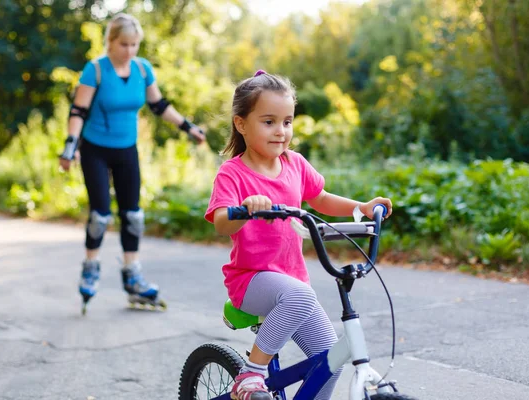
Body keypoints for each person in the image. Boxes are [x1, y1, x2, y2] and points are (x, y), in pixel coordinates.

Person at [204, 70, 393, 400]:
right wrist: (246, 209)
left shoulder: (295, 164)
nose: (281, 131)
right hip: (251, 280)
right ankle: (252, 372)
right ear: (241, 123)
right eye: (269, 122)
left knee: (330, 359)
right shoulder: (232, 173)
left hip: (292, 281)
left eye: (287, 122)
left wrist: (361, 207)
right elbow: (221, 221)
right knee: (300, 296)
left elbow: (319, 198)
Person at [59, 13, 206, 312]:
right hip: (95, 149)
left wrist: (188, 127)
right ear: (110, 42)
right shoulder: (95, 70)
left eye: (135, 44)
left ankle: (133, 277)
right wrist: (70, 146)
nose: (129, 50)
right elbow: (78, 111)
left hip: (127, 149)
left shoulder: (142, 69)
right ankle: (90, 265)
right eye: (124, 44)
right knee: (101, 215)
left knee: (133, 215)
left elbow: (158, 105)